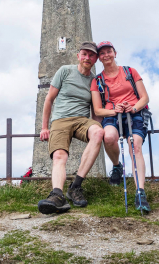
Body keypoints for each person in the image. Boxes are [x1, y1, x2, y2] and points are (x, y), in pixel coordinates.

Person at [37, 42, 105, 215]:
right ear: (78, 56)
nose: (87, 58)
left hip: (82, 120)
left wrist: (96, 124)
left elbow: (95, 110)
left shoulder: (94, 80)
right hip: (60, 119)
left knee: (98, 132)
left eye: (91, 55)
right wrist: (44, 127)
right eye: (84, 54)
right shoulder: (65, 71)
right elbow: (49, 99)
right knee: (60, 155)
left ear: (95, 59)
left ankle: (75, 187)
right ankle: (57, 195)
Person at [91, 41, 151, 212]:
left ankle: (140, 192)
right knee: (108, 137)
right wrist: (114, 110)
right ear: (99, 58)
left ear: (115, 53)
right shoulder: (98, 80)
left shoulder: (130, 72)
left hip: (135, 112)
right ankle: (117, 166)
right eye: (102, 53)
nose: (106, 55)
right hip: (112, 115)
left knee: (135, 146)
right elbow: (97, 109)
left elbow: (144, 98)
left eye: (109, 51)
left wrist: (133, 108)